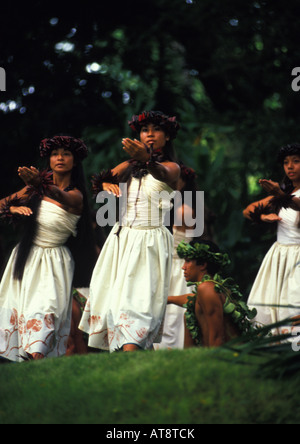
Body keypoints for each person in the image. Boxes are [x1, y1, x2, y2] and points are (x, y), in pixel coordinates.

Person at [79, 110, 181, 352]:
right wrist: (105, 183)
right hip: (122, 239)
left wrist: (147, 158)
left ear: (167, 137)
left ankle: (132, 350)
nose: (150, 134)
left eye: (156, 130)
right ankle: (131, 354)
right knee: (119, 301)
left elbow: (161, 173)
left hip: (149, 241)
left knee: (141, 301)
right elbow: (104, 179)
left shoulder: (172, 167)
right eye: (145, 130)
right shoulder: (130, 166)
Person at [0, 136, 96, 361]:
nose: (60, 158)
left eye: (66, 153)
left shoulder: (76, 195)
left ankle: (38, 357)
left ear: (75, 161)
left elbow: (59, 195)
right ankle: (31, 364)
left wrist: (40, 184)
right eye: (55, 154)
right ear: (49, 159)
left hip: (54, 262)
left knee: (47, 311)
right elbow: (1, 205)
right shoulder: (33, 190)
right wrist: (12, 209)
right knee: (22, 311)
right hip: (26, 260)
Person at [244, 143, 300, 332]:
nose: (290, 167)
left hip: (298, 258)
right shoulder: (285, 193)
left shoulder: (285, 195)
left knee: (292, 305)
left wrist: (280, 194)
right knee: (265, 305)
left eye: (296, 161)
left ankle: (292, 349)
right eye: (286, 163)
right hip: (278, 255)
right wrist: (261, 216)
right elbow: (247, 210)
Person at [167, 239, 255, 347]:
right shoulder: (212, 287)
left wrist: (212, 362)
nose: (183, 267)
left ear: (203, 265)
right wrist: (167, 299)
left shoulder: (206, 289)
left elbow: (217, 337)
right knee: (189, 312)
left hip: (226, 356)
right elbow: (194, 300)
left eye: (188, 261)